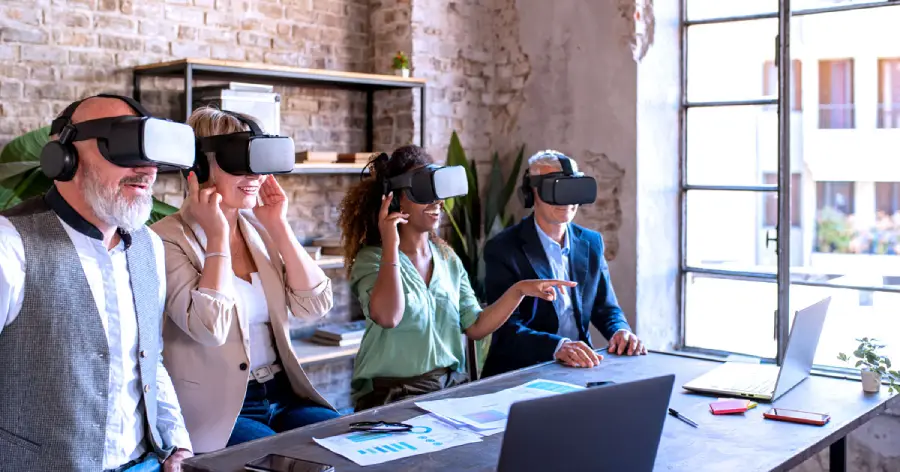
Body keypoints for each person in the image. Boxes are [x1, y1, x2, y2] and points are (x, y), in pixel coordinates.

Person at [0, 95, 193, 471]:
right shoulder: (10, 246)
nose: (146, 169)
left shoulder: (149, 247)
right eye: (124, 147)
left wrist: (177, 444)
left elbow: (149, 363)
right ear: (64, 158)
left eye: (150, 151)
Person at [151, 107, 340, 453]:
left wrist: (278, 225)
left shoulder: (258, 230)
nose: (254, 174)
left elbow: (315, 306)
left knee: (343, 445)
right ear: (198, 167)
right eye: (239, 159)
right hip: (220, 412)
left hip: (283, 394)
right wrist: (218, 238)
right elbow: (209, 327)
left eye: (258, 159)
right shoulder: (164, 239)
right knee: (278, 460)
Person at [338, 145, 574, 411]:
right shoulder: (372, 259)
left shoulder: (447, 258)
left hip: (450, 389)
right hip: (391, 395)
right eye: (425, 192)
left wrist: (519, 290)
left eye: (438, 193)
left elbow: (474, 325)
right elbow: (388, 317)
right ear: (395, 200)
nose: (437, 202)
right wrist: (390, 242)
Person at [481, 150, 646, 378]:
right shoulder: (503, 249)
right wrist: (557, 347)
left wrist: (620, 331)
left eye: (572, 188)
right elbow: (506, 329)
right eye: (555, 189)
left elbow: (605, 307)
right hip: (523, 370)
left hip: (578, 367)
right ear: (531, 193)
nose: (566, 200)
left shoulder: (591, 242)